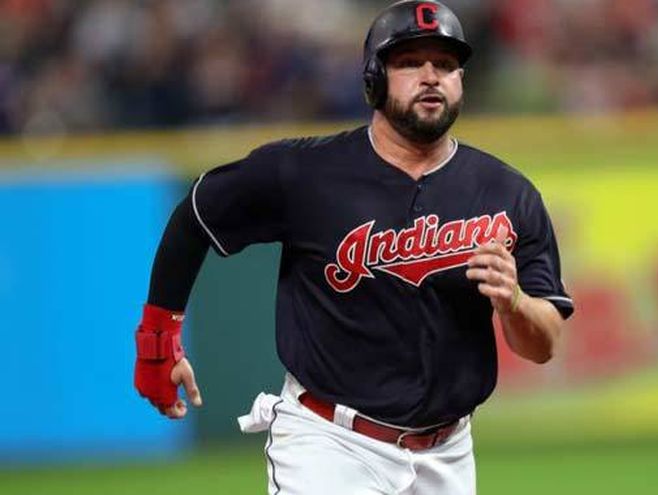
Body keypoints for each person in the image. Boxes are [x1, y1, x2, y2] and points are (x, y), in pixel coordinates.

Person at [133, 1, 574, 493]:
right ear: (373, 78)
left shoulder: (507, 194)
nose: (431, 76)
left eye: (446, 65)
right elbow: (195, 217)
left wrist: (515, 303)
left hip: (447, 454)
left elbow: (544, 345)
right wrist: (159, 340)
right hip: (329, 442)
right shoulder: (304, 173)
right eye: (410, 62)